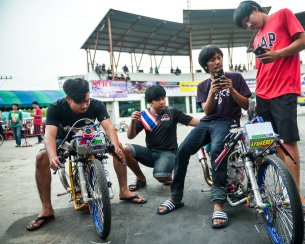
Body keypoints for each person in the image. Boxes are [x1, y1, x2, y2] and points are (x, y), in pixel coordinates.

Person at [26, 78, 146, 231]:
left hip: (90, 137)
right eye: (80, 103)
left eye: (87, 101)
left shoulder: (96, 104)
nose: (84, 105)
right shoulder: (55, 108)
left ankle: (124, 190)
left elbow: (109, 127)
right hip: (65, 140)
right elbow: (49, 135)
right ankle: (46, 209)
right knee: (41, 157)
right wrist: (52, 156)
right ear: (68, 98)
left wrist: (115, 146)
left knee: (119, 147)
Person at [234, 1, 305, 216]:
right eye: (244, 25)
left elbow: (303, 41)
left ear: (254, 9)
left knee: (288, 142)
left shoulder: (282, 15)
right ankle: (283, 187)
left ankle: (296, 194)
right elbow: (262, 68)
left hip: (283, 91)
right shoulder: (256, 38)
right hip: (263, 95)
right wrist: (254, 98)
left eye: (248, 20)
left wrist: (279, 54)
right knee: (274, 145)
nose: (249, 25)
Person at [158, 44, 251, 229]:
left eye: (219, 57)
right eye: (212, 59)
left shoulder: (236, 78)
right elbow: (207, 111)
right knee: (183, 150)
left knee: (218, 150)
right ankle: (176, 198)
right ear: (206, 65)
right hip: (207, 122)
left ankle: (218, 203)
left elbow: (247, 105)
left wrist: (232, 90)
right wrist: (212, 91)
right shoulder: (203, 86)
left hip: (228, 122)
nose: (217, 62)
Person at [114, 85, 199, 193]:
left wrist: (212, 121)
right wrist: (132, 121)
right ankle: (141, 179)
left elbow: (194, 121)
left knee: (161, 176)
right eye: (158, 100)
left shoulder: (172, 112)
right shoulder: (144, 116)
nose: (162, 102)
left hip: (169, 153)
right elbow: (130, 136)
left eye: (163, 98)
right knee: (125, 150)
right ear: (150, 102)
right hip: (151, 153)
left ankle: (167, 171)